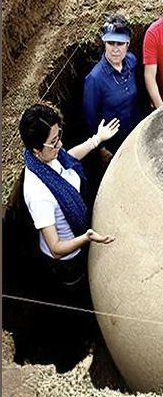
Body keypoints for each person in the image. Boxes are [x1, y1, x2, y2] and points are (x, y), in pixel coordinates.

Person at [18, 102, 119, 286]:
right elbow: (56, 248)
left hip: (79, 234)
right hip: (68, 260)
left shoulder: (46, 157)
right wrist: (86, 238)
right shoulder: (38, 193)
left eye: (59, 136)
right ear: (36, 149)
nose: (60, 144)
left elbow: (67, 159)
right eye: (54, 142)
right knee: (79, 283)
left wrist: (97, 139)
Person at [82, 14, 141, 163]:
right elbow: (90, 118)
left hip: (134, 133)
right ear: (104, 43)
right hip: (113, 143)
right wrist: (101, 148)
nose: (115, 49)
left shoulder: (132, 62)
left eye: (120, 44)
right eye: (111, 43)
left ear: (127, 44)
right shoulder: (94, 79)